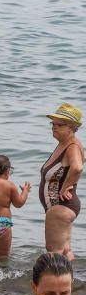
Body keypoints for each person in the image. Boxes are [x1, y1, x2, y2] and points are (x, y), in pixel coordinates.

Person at [39, 103, 84, 260]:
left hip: (61, 207)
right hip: (62, 208)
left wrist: (65, 187)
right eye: (53, 123)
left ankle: (55, 284)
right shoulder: (64, 144)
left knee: (54, 253)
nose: (54, 127)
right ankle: (71, 283)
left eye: (59, 124)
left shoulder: (72, 146)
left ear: (71, 127)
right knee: (65, 252)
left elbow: (77, 168)